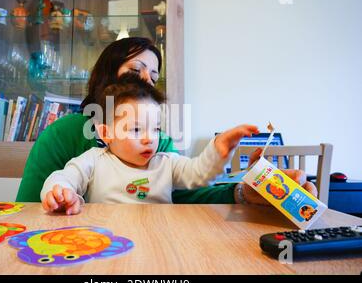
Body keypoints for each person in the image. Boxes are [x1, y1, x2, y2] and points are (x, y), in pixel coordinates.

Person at [16, 37, 317, 205]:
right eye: (137, 71)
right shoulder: (71, 140)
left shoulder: (160, 151)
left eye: (155, 76)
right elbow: (34, 203)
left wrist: (245, 189)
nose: (148, 81)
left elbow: (193, 187)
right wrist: (61, 194)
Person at [41, 75, 259, 214]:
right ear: (106, 133)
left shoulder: (166, 163)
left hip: (159, 238)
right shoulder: (94, 160)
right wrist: (61, 193)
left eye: (155, 129)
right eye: (136, 129)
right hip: (107, 239)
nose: (149, 139)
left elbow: (199, 173)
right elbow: (63, 177)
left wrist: (219, 149)